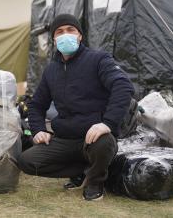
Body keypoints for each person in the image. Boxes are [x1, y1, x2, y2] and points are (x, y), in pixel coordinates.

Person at [18, 14, 134, 201]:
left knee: (104, 142)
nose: (66, 35)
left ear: (80, 35)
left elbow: (123, 86)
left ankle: (95, 181)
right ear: (54, 39)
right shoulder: (51, 70)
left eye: (71, 30)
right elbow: (36, 104)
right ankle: (83, 171)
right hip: (65, 137)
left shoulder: (98, 60)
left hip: (94, 135)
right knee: (27, 161)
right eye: (60, 32)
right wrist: (38, 130)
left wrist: (107, 124)